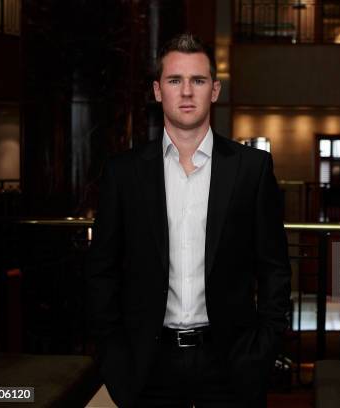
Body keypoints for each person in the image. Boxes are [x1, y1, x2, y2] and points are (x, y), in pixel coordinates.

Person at [85, 33, 291, 407]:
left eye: (197, 80)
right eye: (174, 80)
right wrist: (114, 357)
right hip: (147, 364)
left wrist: (263, 350)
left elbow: (274, 268)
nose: (186, 92)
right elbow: (103, 271)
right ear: (157, 90)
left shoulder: (251, 169)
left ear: (214, 90)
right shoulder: (123, 172)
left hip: (231, 362)